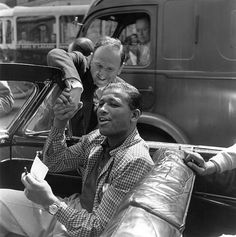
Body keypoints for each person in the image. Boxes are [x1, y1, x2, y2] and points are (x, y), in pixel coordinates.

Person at [0, 82, 154, 237]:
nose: (102, 109)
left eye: (113, 104)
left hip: (85, 225)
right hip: (71, 208)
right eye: (100, 103)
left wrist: (50, 202)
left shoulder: (135, 160)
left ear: (134, 115)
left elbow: (97, 229)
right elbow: (54, 163)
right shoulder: (98, 138)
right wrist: (60, 122)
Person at [45, 36, 126, 136]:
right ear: (91, 58)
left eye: (110, 69)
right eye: (99, 65)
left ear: (120, 69)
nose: (102, 74)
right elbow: (55, 54)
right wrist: (75, 85)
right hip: (55, 136)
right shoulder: (80, 64)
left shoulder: (121, 91)